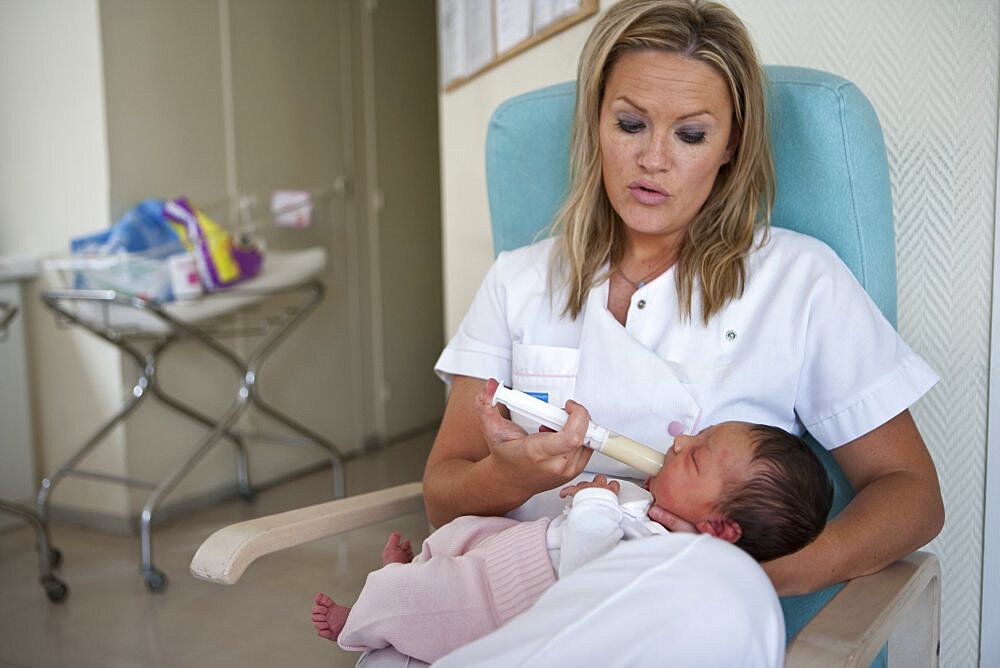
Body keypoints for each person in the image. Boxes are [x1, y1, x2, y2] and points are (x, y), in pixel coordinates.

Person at [415, 0, 943, 663]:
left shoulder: (798, 280)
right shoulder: (519, 282)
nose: (653, 160)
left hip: (679, 614)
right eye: (630, 124)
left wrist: (764, 576)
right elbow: (443, 495)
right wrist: (509, 477)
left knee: (713, 599)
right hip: (512, 597)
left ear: (731, 145)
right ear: (595, 123)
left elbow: (912, 494)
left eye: (690, 135)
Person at [312, 419, 834, 663]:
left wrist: (592, 508)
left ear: (720, 529)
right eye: (695, 436)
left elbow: (586, 579)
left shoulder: (665, 560)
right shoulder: (655, 509)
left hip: (498, 602)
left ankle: (360, 614)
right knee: (459, 536)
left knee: (424, 603)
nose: (678, 441)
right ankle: (412, 571)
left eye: (694, 456)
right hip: (507, 551)